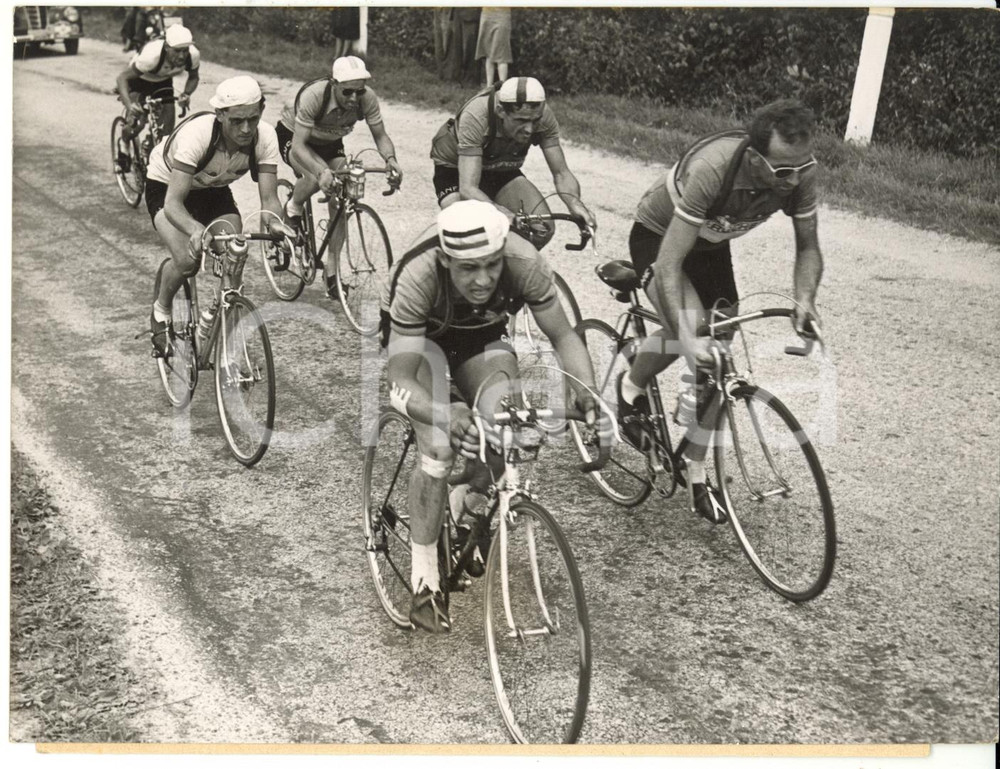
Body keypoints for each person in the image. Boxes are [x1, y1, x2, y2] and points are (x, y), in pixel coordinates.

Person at [381, 200, 605, 634]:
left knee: (506, 423)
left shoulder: (525, 262)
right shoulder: (419, 274)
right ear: (446, 260)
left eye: (491, 265)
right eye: (469, 269)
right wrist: (447, 413)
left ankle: (467, 501)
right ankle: (425, 579)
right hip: (421, 336)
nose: (483, 280)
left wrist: (587, 393)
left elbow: (563, 335)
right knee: (440, 447)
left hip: (480, 333)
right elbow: (400, 385)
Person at [619, 98, 823, 518]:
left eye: (801, 167)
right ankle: (629, 388)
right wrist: (688, 340)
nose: (792, 180)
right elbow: (669, 264)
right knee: (690, 329)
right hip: (659, 238)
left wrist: (805, 301)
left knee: (719, 354)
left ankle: (696, 470)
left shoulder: (800, 173)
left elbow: (808, 247)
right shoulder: (713, 169)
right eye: (782, 170)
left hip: (711, 244)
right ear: (753, 157)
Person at [145, 76, 295, 356]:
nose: (246, 128)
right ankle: (160, 312)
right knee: (187, 260)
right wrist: (194, 229)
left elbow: (269, 199)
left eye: (252, 118)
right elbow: (174, 204)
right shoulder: (198, 135)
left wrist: (275, 224)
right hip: (168, 187)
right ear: (220, 114)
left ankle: (222, 335)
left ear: (261, 110)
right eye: (237, 121)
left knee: (234, 252)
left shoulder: (265, 136)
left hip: (213, 190)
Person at [276, 56, 402, 299]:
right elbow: (299, 148)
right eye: (347, 92)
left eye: (359, 92)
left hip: (329, 142)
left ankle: (332, 273)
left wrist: (391, 160)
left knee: (343, 194)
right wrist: (322, 171)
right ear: (334, 84)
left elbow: (381, 136)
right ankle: (293, 207)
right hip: (295, 137)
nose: (354, 99)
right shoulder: (314, 96)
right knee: (314, 178)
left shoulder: (366, 98)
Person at [430, 76, 596, 252]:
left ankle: (511, 272)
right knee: (470, 233)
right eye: (521, 121)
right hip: (456, 170)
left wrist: (576, 204)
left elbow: (561, 173)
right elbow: (468, 189)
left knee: (541, 229)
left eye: (535, 120)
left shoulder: (542, 114)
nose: (530, 129)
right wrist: (502, 212)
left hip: (499, 168)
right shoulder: (477, 115)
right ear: (501, 111)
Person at [115, 23, 200, 141]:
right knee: (138, 124)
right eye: (177, 51)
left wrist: (186, 94)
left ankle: (152, 146)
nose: (181, 56)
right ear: (166, 47)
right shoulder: (151, 57)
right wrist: (129, 105)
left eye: (185, 51)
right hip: (139, 80)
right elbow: (122, 78)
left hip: (163, 81)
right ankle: (124, 144)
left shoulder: (193, 55)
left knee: (167, 131)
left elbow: (193, 77)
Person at [475, 7, 512, 88]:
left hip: (502, 14)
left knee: (502, 53)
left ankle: (503, 89)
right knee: (488, 51)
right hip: (487, 14)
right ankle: (488, 88)